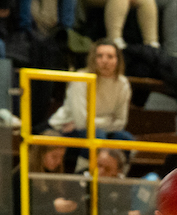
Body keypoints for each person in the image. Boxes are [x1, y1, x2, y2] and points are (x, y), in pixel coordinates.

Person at [48, 41, 133, 173]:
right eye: (100, 56)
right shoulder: (81, 78)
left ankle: (117, 180)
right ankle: (84, 178)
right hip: (65, 128)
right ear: (93, 59)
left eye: (110, 56)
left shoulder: (123, 83)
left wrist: (98, 123)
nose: (105, 61)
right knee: (97, 136)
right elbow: (82, 122)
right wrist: (108, 120)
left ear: (118, 60)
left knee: (125, 139)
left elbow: (121, 122)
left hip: (88, 127)